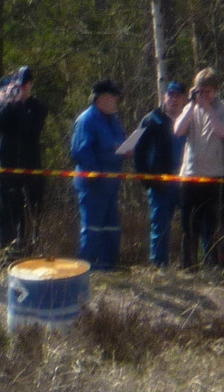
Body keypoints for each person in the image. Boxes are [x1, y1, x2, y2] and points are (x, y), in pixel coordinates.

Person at [0, 65, 49, 260]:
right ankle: (5, 257)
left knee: (29, 219)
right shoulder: (0, 107)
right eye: (18, 85)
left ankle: (28, 256)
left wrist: (19, 105)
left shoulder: (37, 107)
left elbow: (30, 129)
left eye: (25, 85)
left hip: (30, 171)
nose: (21, 89)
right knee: (5, 219)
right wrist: (8, 104)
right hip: (3, 172)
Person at [173, 68, 224, 270]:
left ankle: (214, 266)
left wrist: (208, 109)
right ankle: (188, 266)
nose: (204, 95)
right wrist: (192, 105)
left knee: (213, 226)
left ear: (216, 90)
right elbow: (178, 130)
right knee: (188, 226)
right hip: (190, 176)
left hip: (216, 176)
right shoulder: (190, 108)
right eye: (200, 90)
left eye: (208, 91)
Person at [128, 80, 188, 269]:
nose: (174, 100)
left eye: (178, 96)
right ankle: (159, 266)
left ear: (184, 99)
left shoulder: (190, 119)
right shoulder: (152, 119)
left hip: (187, 181)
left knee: (191, 224)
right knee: (160, 226)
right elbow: (138, 152)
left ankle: (190, 264)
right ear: (164, 97)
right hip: (160, 183)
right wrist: (146, 179)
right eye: (170, 95)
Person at [68, 79, 127, 270]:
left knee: (111, 228)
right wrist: (97, 172)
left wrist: (125, 149)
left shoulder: (113, 120)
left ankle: (109, 265)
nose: (115, 101)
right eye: (112, 97)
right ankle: (88, 268)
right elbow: (80, 151)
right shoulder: (87, 119)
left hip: (111, 183)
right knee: (92, 228)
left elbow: (119, 141)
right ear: (100, 99)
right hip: (93, 185)